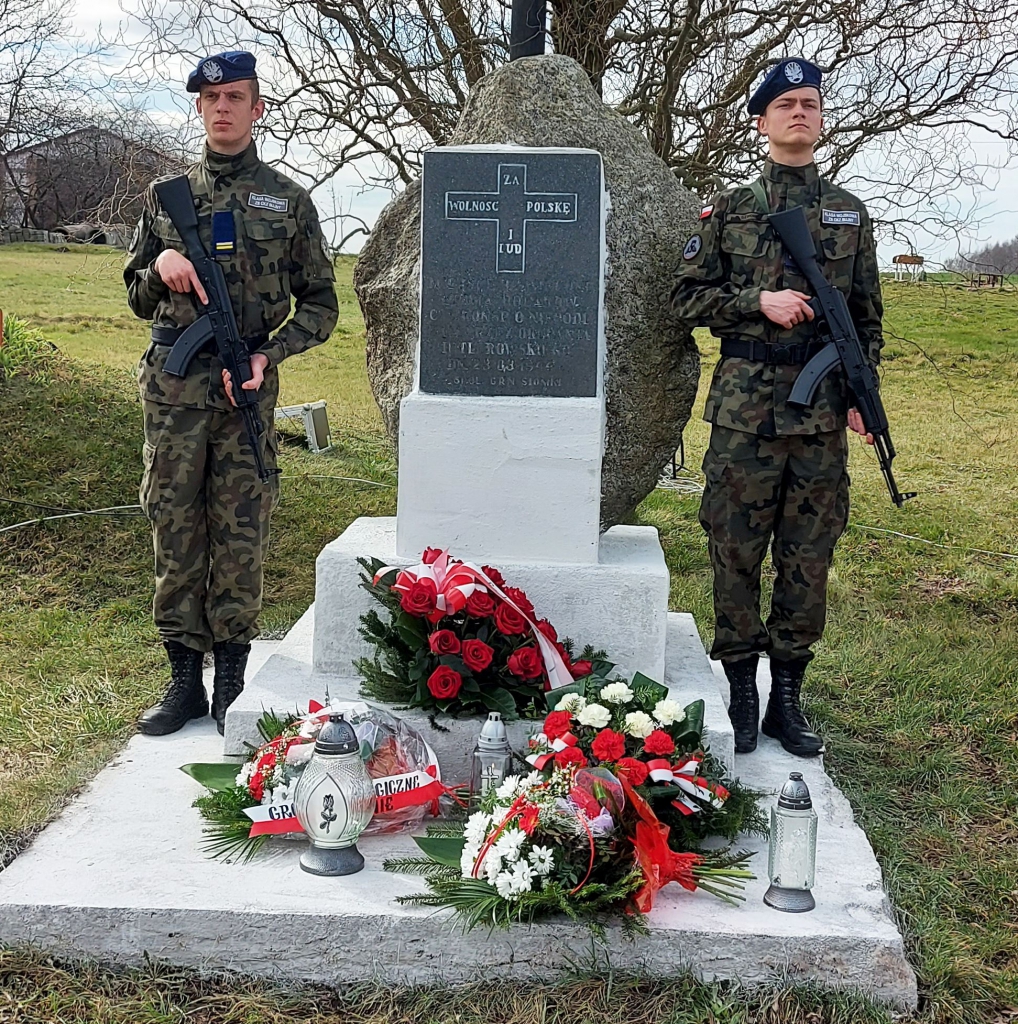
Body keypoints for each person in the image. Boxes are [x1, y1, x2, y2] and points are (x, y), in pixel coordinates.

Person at [671, 58, 883, 758]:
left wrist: (861, 392)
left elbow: (866, 318)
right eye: (785, 103)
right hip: (744, 416)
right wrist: (753, 303)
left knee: (807, 558)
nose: (800, 113)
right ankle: (740, 688)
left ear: (822, 120)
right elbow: (684, 300)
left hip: (820, 418)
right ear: (761, 121)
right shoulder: (728, 208)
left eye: (811, 103)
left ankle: (786, 697)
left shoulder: (851, 213)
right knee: (734, 551)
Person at [125, 51, 338, 736]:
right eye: (211, 97)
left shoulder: (288, 201)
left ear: (258, 110)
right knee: (174, 527)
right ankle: (185, 680)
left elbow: (322, 305)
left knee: (240, 531)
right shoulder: (165, 198)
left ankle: (232, 680)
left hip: (243, 391)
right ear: (199, 108)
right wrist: (160, 265)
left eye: (236, 96)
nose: (223, 108)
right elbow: (135, 294)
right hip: (174, 393)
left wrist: (267, 354)